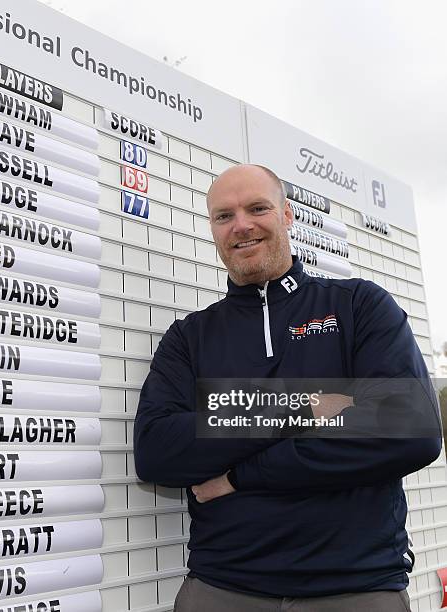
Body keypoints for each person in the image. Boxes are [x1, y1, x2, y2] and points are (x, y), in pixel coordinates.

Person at [133, 164, 441, 611]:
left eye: (257, 208)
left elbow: (407, 430)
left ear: (287, 215)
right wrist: (299, 410)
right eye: (224, 216)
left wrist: (239, 476)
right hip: (221, 589)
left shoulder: (359, 305)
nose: (241, 225)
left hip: (356, 589)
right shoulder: (190, 337)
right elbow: (158, 451)